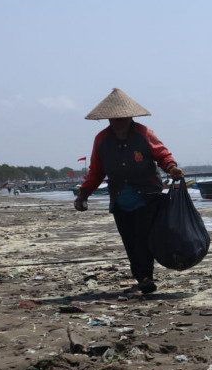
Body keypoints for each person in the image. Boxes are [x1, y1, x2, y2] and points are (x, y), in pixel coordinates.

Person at [74, 88, 184, 294]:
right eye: (115, 119)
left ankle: (145, 277)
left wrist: (171, 167)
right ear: (108, 120)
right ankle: (141, 276)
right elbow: (96, 172)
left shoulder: (144, 134)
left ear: (130, 117)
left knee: (143, 236)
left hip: (148, 196)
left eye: (123, 118)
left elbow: (162, 154)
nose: (119, 122)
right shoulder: (101, 140)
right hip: (120, 199)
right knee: (129, 240)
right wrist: (84, 194)